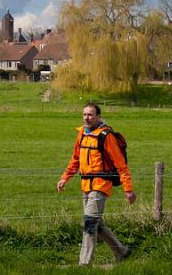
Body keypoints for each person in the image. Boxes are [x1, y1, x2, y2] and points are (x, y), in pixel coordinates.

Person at [57, 102, 136, 265]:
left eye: (90, 115)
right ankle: (122, 252)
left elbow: (121, 165)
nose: (87, 118)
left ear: (98, 116)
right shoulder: (81, 134)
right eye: (85, 114)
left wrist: (128, 189)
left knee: (89, 223)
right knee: (97, 224)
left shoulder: (106, 136)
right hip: (85, 184)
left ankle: (84, 263)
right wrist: (65, 178)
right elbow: (76, 159)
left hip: (101, 184)